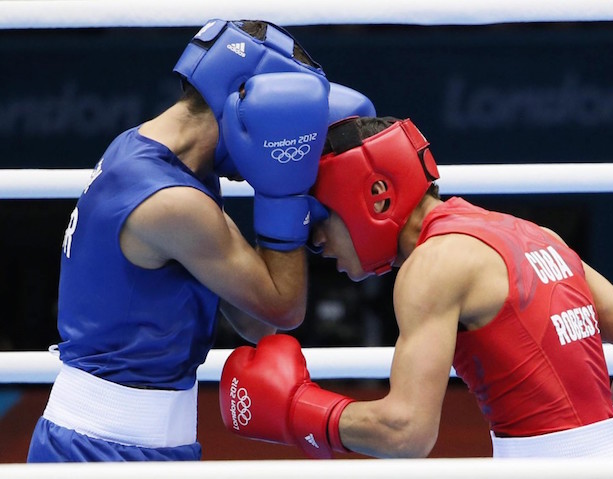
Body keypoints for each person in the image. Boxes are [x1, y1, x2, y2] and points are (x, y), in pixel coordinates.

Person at [218, 116, 613, 458]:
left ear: (376, 197)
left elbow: (406, 432)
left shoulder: (434, 265)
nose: (315, 240)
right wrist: (611, 451)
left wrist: (298, 410)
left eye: (321, 217)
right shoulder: (530, 233)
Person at [26, 19, 374, 462]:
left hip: (145, 443)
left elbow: (254, 320)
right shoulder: (171, 201)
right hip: (100, 449)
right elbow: (282, 308)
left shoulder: (159, 160)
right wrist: (282, 193)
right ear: (247, 99)